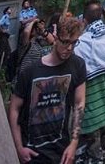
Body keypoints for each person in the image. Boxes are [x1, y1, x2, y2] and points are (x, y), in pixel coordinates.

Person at [8, 15, 86, 164]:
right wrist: (18, 147)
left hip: (61, 151)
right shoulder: (30, 71)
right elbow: (14, 109)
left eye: (74, 43)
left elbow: (79, 103)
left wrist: (74, 143)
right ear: (55, 37)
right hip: (32, 154)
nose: (69, 48)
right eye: (65, 42)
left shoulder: (78, 65)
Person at [75, 0, 105, 164]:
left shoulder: (81, 44)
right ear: (102, 16)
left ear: (84, 18)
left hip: (89, 113)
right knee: (104, 151)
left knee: (86, 154)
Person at [0, 6, 13, 71]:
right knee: (1, 52)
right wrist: (3, 31)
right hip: (2, 36)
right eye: (9, 9)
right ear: (6, 11)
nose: (10, 10)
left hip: (5, 37)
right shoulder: (5, 16)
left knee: (7, 51)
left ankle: (2, 67)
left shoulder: (7, 17)